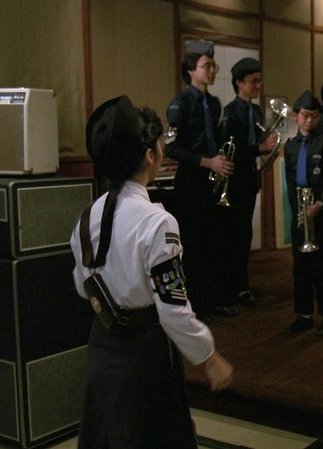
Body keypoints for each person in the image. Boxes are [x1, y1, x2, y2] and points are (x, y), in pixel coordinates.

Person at [71, 96, 233, 448]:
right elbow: (173, 308)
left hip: (102, 346)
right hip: (145, 356)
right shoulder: (158, 222)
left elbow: (83, 287)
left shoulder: (86, 217)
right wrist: (208, 356)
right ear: (150, 155)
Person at [165, 40, 237, 321]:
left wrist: (221, 159)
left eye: (213, 65)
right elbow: (171, 147)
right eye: (207, 66)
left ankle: (214, 300)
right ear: (190, 70)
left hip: (212, 182)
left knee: (214, 242)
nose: (213, 70)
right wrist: (208, 162)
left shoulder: (214, 104)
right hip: (191, 183)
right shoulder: (180, 105)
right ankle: (196, 305)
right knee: (193, 245)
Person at [217, 57, 279, 307]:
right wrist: (259, 148)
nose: (258, 86)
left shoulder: (256, 111)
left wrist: (268, 147)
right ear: (240, 83)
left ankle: (241, 286)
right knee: (232, 237)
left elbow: (258, 143)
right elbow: (228, 150)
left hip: (250, 180)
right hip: (234, 182)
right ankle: (231, 288)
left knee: (244, 236)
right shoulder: (230, 112)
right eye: (254, 81)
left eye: (259, 81)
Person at [282, 91, 323, 336]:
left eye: (314, 116)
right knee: (301, 267)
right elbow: (290, 180)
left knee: (322, 266)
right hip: (301, 211)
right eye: (305, 115)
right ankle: (304, 314)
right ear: (296, 116)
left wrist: (319, 204)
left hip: (321, 210)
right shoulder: (290, 146)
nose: (309, 120)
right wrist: (299, 211)